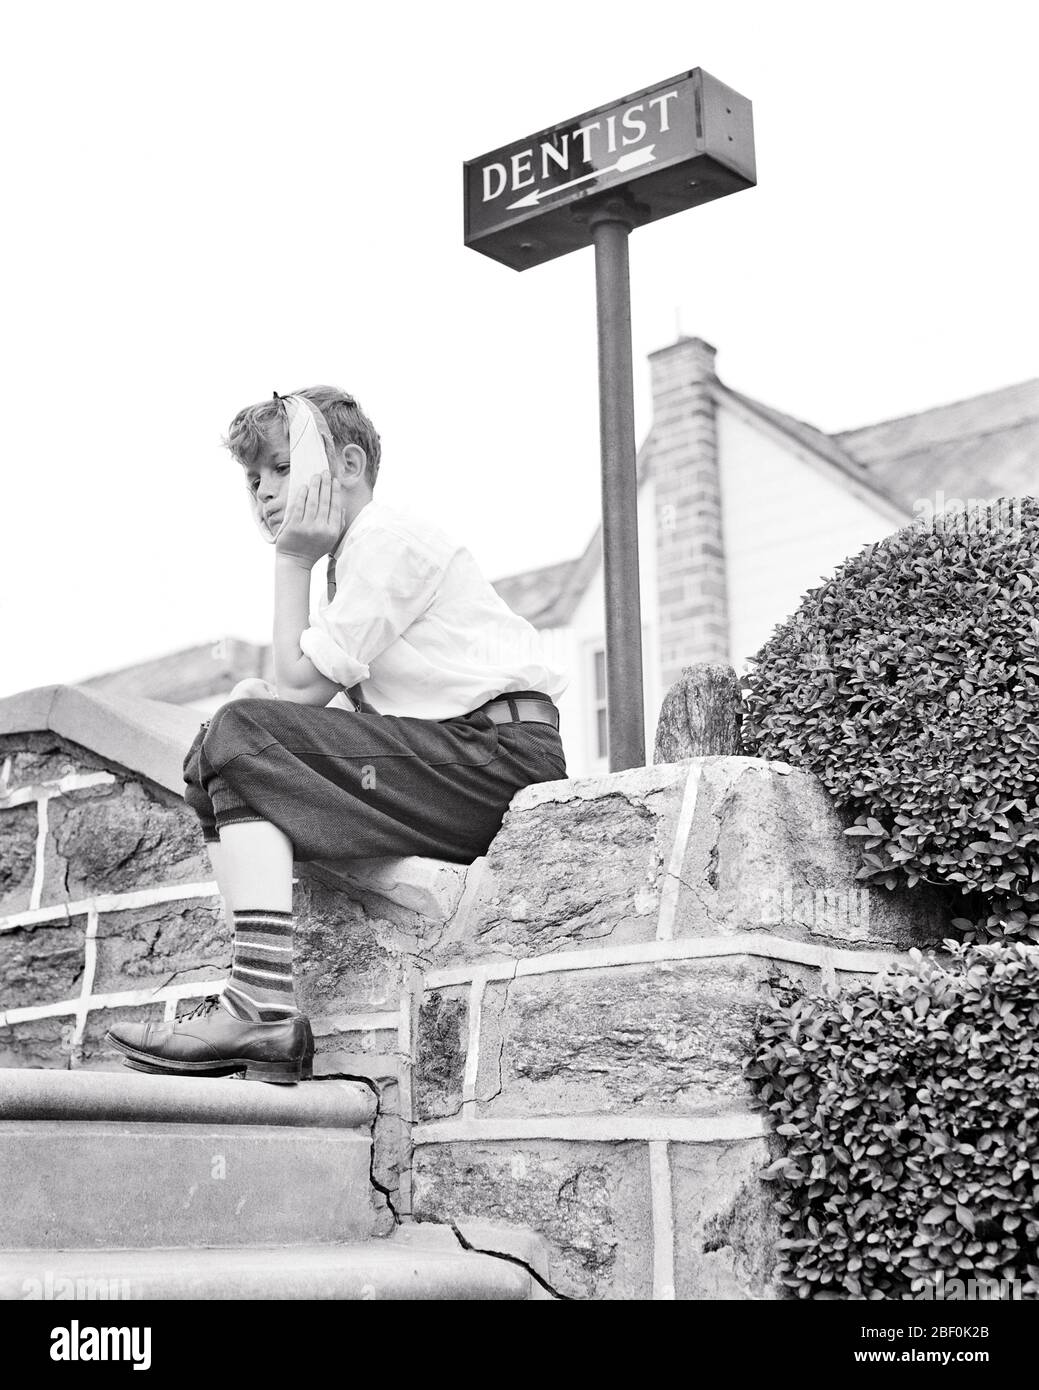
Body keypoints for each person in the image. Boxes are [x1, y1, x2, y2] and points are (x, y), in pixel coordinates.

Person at [106, 387, 568, 1083]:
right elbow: (298, 696)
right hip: (453, 758)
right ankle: (253, 990)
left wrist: (289, 563)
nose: (263, 492)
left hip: (496, 756)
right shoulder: (351, 563)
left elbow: (294, 688)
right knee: (217, 755)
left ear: (346, 465)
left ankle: (257, 1005)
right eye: (253, 479)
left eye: (282, 468)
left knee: (237, 734)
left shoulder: (385, 536)